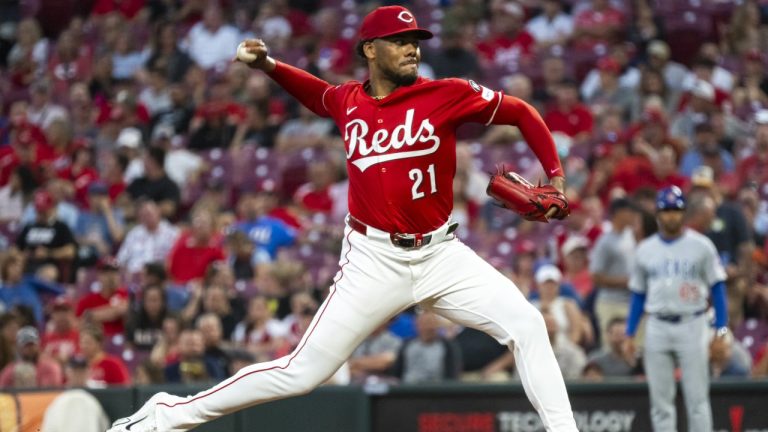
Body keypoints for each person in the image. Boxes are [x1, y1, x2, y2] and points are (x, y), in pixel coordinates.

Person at [108, 6, 576, 432]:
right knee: (302, 372)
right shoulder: (348, 101)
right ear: (371, 49)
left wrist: (555, 175)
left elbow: (522, 112)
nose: (412, 47)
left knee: (528, 325)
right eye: (400, 40)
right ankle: (169, 414)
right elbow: (318, 94)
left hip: (441, 254)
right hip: (373, 259)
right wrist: (270, 67)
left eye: (416, 40)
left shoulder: (446, 94)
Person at [623, 186, 729, 432]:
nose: (671, 215)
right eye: (666, 210)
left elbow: (718, 288)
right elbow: (638, 295)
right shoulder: (645, 249)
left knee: (698, 401)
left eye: (676, 210)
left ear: (684, 212)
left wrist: (720, 330)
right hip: (657, 325)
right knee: (661, 404)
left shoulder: (702, 246)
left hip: (693, 322)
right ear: (658, 213)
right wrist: (630, 333)